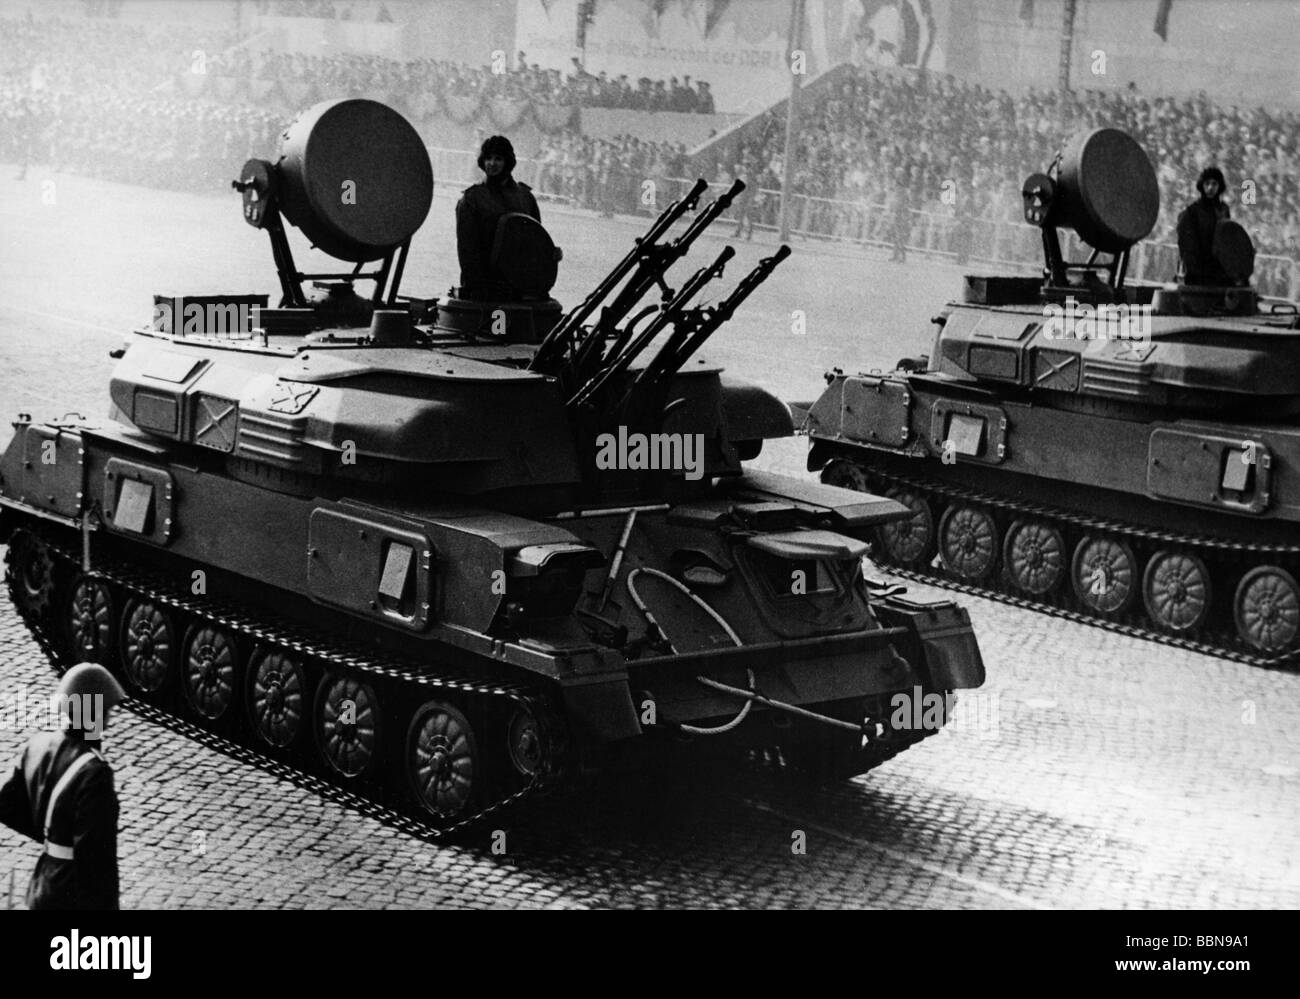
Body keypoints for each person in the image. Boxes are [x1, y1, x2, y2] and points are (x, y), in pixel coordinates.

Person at [0, 663, 125, 910]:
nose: (110, 719)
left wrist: (51, 833)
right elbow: (95, 857)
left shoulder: (38, 744)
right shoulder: (94, 772)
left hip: (43, 883)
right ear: (97, 713)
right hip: (73, 895)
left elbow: (5, 804)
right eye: (107, 711)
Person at [455, 135, 560, 299]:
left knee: (515, 323)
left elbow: (534, 239)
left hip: (519, 286)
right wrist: (478, 287)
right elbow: (467, 251)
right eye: (488, 158)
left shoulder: (525, 197)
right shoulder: (472, 199)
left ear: (508, 162)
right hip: (485, 288)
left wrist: (549, 254)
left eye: (498, 158)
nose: (492, 164)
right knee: (498, 324)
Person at [1176, 166, 1231, 284]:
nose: (1210, 188)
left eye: (1214, 184)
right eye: (1207, 184)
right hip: (1198, 271)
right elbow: (1186, 245)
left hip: (1219, 268)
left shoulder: (1224, 210)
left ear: (1220, 186)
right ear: (1202, 185)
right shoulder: (1192, 211)